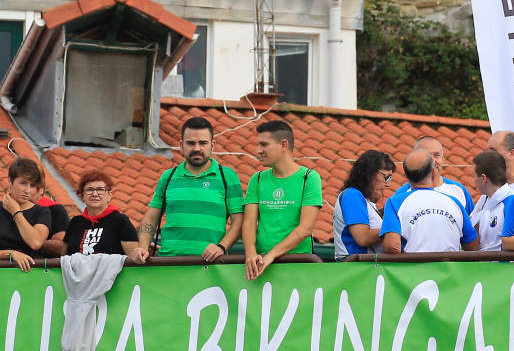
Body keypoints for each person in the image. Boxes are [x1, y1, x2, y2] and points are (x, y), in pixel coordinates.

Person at [139, 116, 244, 260]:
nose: (197, 148)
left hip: (211, 266)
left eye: (203, 143)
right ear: (181, 145)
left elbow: (239, 221)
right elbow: (150, 219)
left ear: (212, 145)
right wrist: (143, 247)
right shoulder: (168, 177)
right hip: (169, 263)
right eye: (191, 143)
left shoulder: (227, 177)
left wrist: (221, 247)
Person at [243, 119, 323, 280]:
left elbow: (305, 228)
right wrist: (251, 254)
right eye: (258, 145)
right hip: (261, 268)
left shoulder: (309, 178)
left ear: (284, 145)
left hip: (298, 265)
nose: (258, 150)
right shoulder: (257, 178)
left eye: (264, 145)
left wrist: (271, 256)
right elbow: (249, 222)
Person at [381, 150, 480, 255]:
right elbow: (472, 245)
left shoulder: (395, 202)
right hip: (450, 269)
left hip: (413, 269)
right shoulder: (454, 202)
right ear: (433, 172)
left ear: (406, 176)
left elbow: (391, 246)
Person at [0, 158, 52, 272]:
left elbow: (35, 243)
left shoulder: (42, 212)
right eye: (23, 183)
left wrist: (16, 213)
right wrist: (11, 254)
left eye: (33, 185)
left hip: (30, 276)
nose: (28, 190)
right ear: (10, 182)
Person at [64, 171, 148, 261]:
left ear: (109, 195)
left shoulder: (120, 221)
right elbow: (64, 257)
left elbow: (133, 259)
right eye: (89, 189)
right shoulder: (74, 223)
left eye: (100, 189)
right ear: (82, 195)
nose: (95, 194)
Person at [333, 150, 395, 260]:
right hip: (354, 266)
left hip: (364, 266)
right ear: (369, 173)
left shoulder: (366, 202)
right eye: (386, 177)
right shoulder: (351, 195)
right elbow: (362, 237)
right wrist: (393, 229)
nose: (388, 184)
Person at [391, 137, 475, 214]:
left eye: (437, 155)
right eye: (426, 156)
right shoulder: (401, 194)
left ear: (443, 159)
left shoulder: (459, 190)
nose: (432, 161)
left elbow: (472, 225)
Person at [469, 150, 513, 252]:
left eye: (474, 175)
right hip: (483, 265)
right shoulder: (485, 200)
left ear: (483, 178)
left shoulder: (512, 203)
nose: (473, 180)